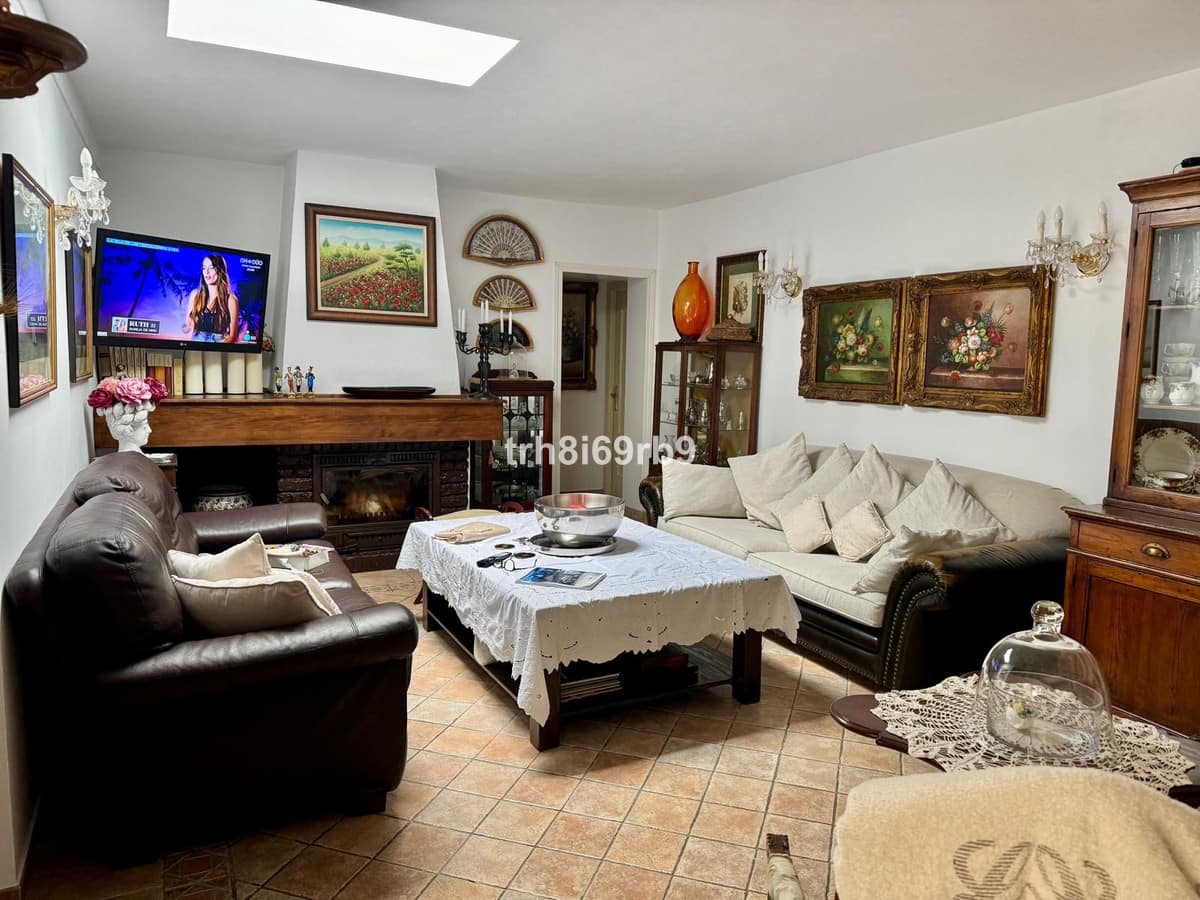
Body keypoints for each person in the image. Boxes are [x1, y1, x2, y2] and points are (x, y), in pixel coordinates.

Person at [183, 254, 240, 344]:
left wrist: (217, 348)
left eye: (211, 268)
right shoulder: (195, 295)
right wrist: (186, 328)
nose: (207, 272)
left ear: (220, 270)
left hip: (220, 343)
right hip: (197, 341)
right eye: (204, 268)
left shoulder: (231, 300)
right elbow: (187, 326)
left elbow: (233, 337)